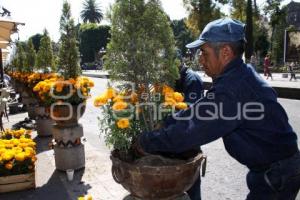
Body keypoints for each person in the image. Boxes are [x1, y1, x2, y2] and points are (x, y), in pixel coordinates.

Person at [135, 18, 300, 200]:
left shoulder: (234, 89)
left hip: (277, 174)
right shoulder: (237, 76)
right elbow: (199, 110)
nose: (200, 59)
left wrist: (146, 142)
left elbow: (191, 132)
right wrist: (167, 121)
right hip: (275, 169)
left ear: (226, 52)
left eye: (204, 53)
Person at [175, 59, 204, 200]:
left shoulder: (192, 80)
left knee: (191, 183)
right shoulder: (174, 78)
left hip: (189, 138)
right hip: (176, 136)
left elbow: (192, 111)